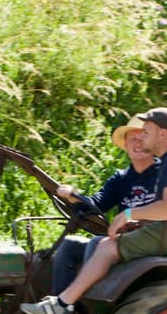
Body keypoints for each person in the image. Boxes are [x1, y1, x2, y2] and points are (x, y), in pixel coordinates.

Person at [22, 107, 167, 314]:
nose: (141, 137)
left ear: (162, 133)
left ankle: (65, 307)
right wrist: (75, 198)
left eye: (146, 132)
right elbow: (99, 203)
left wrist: (128, 214)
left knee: (107, 248)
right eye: (136, 135)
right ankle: (75, 308)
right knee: (94, 245)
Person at [52, 115, 159, 295]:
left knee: (97, 242)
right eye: (133, 139)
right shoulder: (121, 178)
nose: (138, 143)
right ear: (125, 145)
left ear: (153, 144)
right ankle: (59, 308)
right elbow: (97, 203)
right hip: (124, 240)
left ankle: (90, 308)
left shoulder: (165, 174)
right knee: (70, 244)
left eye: (143, 138)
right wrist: (73, 197)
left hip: (152, 241)